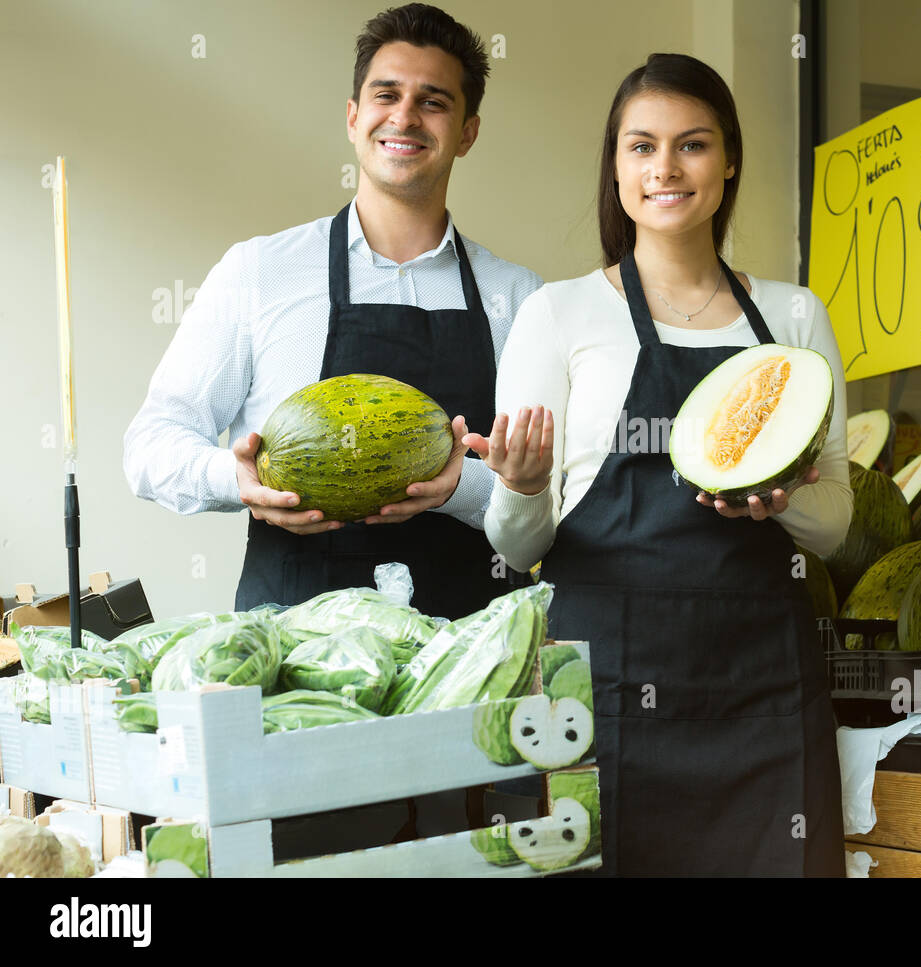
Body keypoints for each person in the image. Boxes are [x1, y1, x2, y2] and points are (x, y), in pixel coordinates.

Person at [469, 53, 852, 876]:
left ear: (731, 159)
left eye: (693, 145)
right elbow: (516, 542)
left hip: (763, 697)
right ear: (615, 166)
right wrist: (523, 484)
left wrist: (780, 500)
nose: (666, 169)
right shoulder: (559, 314)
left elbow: (836, 524)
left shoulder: (791, 315)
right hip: (605, 693)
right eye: (641, 147)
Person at [123, 4, 541, 619]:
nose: (404, 116)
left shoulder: (519, 297)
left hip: (466, 660)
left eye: (433, 101)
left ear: (467, 132)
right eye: (386, 94)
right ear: (353, 117)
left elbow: (541, 513)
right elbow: (150, 445)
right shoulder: (259, 271)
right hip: (294, 662)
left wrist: (461, 488)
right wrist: (233, 479)